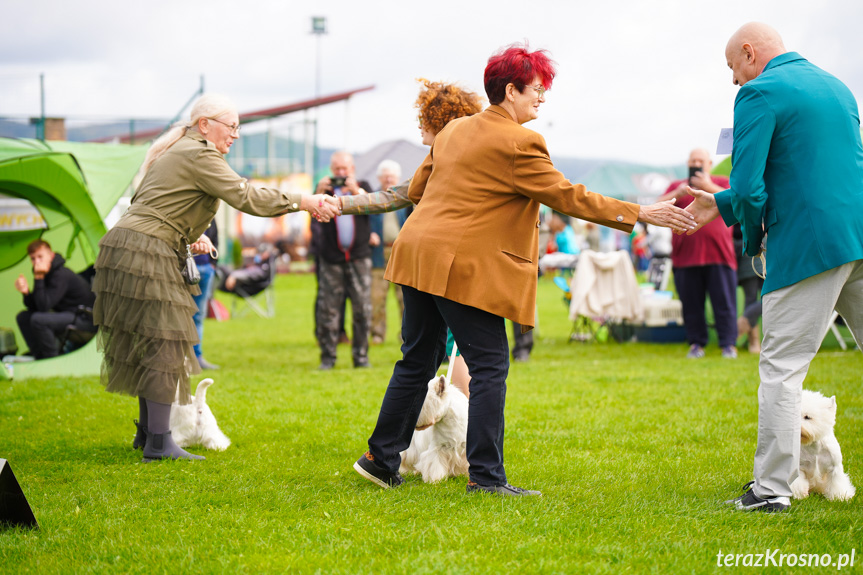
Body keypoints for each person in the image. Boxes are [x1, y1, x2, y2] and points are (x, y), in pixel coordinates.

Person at [352, 43, 695, 496]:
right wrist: (640, 212)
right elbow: (568, 196)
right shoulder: (521, 141)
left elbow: (418, 187)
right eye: (537, 89)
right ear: (510, 90)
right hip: (458, 265)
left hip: (416, 253)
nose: (542, 98)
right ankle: (487, 479)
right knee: (490, 364)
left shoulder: (452, 130)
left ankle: (380, 460)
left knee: (416, 360)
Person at [92, 93, 339, 462]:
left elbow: (155, 204)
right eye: (232, 126)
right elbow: (245, 194)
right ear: (205, 124)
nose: (236, 135)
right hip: (146, 251)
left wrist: (188, 234)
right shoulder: (199, 152)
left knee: (147, 340)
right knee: (166, 341)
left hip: (126, 246)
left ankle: (147, 435)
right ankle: (159, 443)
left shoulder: (176, 152)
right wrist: (304, 201)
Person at [684, 23, 863, 512]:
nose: (733, 81)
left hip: (808, 244)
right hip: (858, 237)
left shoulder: (759, 93)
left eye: (731, 68)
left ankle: (771, 490)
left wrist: (753, 238)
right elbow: (815, 169)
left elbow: (748, 188)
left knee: (782, 370)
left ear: (749, 53)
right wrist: (718, 202)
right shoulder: (838, 86)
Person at [656, 148, 737, 359]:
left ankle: (728, 345)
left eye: (701, 161)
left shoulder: (723, 182)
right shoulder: (678, 186)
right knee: (691, 304)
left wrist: (707, 187)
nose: (697, 164)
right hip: (686, 257)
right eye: (693, 161)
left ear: (709, 163)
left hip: (719, 255)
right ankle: (696, 343)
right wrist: (679, 193)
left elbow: (737, 201)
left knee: (724, 303)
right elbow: (654, 208)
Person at [313, 151, 374, 370]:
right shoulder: (324, 191)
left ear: (352, 169)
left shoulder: (363, 186)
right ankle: (327, 358)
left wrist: (355, 191)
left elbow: (373, 207)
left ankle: (361, 357)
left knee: (362, 309)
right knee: (328, 310)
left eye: (344, 169)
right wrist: (319, 191)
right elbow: (312, 215)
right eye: (336, 169)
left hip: (359, 258)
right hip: (332, 259)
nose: (340, 173)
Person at [15, 239, 95, 359]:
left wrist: (39, 278)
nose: (37, 262)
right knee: (23, 317)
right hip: (69, 316)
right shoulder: (45, 274)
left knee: (38, 320)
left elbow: (44, 306)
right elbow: (37, 305)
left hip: (86, 320)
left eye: (40, 257)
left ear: (51, 255)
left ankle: (52, 361)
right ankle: (40, 358)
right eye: (33, 258)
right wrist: (26, 293)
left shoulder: (60, 274)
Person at [368, 160, 409, 345]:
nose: (388, 179)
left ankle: (406, 334)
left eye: (392, 176)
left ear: (398, 178)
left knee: (405, 298)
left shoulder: (406, 200)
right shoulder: (373, 199)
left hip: (400, 253)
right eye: (385, 177)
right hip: (379, 253)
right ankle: (377, 334)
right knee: (377, 297)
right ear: (379, 179)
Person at [192, 220, 219, 370]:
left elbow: (215, 238)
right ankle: (181, 358)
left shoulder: (210, 215)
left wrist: (213, 264)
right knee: (180, 314)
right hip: (185, 268)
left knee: (198, 314)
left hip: (205, 268)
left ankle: (196, 357)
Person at [733, 223, 764, 354]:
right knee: (754, 298)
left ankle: (742, 326)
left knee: (768, 297)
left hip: (760, 252)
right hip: (745, 252)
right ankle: (753, 341)